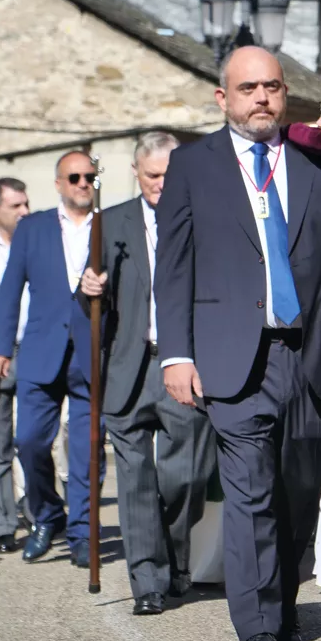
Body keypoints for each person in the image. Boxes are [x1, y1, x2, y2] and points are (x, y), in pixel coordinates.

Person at [156, 46, 321, 641]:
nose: (261, 99)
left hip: (314, 355)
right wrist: (176, 354)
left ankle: (284, 604)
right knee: (250, 492)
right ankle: (257, 626)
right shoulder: (193, 165)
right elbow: (174, 267)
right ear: (223, 98)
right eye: (247, 89)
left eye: (271, 88)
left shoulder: (319, 161)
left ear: (285, 94)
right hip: (233, 356)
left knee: (298, 490)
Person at [77, 133, 217, 615]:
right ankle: (148, 583)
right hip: (128, 369)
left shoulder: (203, 217)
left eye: (169, 174)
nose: (161, 183)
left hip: (186, 366)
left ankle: (175, 557)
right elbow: (94, 298)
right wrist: (89, 286)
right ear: (137, 174)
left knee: (186, 477)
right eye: (153, 174)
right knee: (134, 480)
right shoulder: (109, 222)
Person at [0, 151, 103, 567]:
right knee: (30, 442)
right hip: (40, 352)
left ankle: (82, 531)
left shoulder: (111, 224)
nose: (82, 183)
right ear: (58, 183)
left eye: (89, 176)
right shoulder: (33, 228)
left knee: (88, 447)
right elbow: (9, 291)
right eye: (73, 176)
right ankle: (48, 515)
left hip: (91, 351)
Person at [0, 176, 29, 552]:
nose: (25, 211)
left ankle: (39, 514)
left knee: (34, 438)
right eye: (16, 206)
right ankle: (4, 525)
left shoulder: (34, 240)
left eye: (26, 203)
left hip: (35, 352)